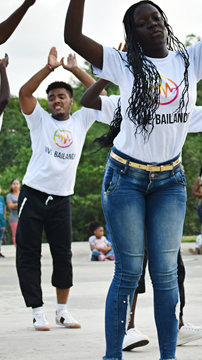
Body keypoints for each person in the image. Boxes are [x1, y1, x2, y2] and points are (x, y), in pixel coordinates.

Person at [65, 0, 202, 357]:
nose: (153, 26)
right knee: (127, 273)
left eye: (157, 19)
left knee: (165, 276)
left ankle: (169, 355)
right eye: (143, 24)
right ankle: (113, 355)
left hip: (170, 181)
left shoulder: (189, 60)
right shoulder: (124, 65)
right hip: (125, 179)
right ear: (133, 35)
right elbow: (72, 37)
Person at [16, 47, 99, 332]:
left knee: (62, 255)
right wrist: (49, 68)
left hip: (62, 199)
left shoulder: (81, 120)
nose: (56, 101)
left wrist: (75, 69)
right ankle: (38, 311)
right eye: (52, 98)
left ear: (72, 101)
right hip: (33, 194)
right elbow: (25, 93)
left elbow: (100, 95)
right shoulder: (39, 120)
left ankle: (62, 310)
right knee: (29, 253)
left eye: (61, 96)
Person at [7, 178, 21, 247]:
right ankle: (17, 248)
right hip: (14, 218)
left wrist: (15, 204)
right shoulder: (9, 195)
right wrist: (19, 204)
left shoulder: (22, 193)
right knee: (15, 234)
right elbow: (10, 205)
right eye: (14, 184)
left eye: (17, 184)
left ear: (20, 185)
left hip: (23, 217)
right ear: (11, 185)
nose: (16, 185)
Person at [0, 185, 6, 258]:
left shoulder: (1, 198)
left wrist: (4, 217)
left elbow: (4, 208)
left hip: (2, 221)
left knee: (0, 238)